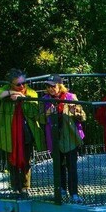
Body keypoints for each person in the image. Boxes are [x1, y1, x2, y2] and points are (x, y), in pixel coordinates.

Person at [0, 68, 45, 196]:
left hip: (26, 131)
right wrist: (10, 93)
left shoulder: (31, 92)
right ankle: (15, 187)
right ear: (11, 84)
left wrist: (22, 98)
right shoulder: (6, 89)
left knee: (26, 159)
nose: (22, 86)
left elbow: (34, 112)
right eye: (18, 84)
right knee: (12, 159)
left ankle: (26, 187)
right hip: (10, 133)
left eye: (23, 83)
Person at [41, 75, 85, 203]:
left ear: (60, 86)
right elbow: (40, 119)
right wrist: (47, 113)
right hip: (54, 137)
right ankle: (60, 191)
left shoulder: (71, 97)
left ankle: (74, 194)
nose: (51, 89)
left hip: (69, 136)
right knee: (58, 166)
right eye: (48, 87)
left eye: (53, 86)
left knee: (72, 166)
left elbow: (83, 116)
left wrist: (75, 112)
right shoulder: (45, 100)